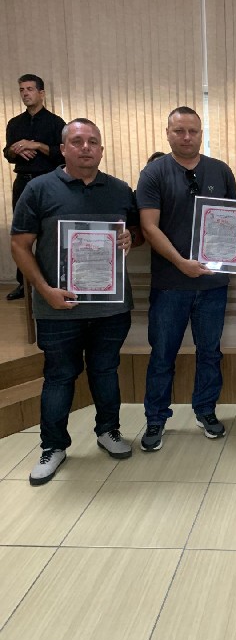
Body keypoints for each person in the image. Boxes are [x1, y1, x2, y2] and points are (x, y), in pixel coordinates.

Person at [10, 118, 140, 485]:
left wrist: (131, 237)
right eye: (78, 141)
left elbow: (136, 232)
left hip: (110, 307)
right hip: (57, 307)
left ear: (101, 149)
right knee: (59, 376)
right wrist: (44, 290)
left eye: (93, 142)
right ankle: (53, 446)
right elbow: (19, 245)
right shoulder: (38, 189)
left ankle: (108, 431)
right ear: (63, 148)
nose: (86, 147)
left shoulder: (119, 189)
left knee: (105, 371)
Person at [136, 106, 236, 451]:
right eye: (179, 131)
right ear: (168, 133)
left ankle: (206, 411)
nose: (186, 137)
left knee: (210, 352)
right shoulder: (154, 173)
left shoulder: (220, 170)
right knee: (162, 355)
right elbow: (149, 226)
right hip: (170, 284)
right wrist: (181, 263)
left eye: (193, 131)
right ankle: (155, 418)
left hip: (212, 284)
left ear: (200, 134)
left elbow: (232, 215)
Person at [3, 74, 66, 300]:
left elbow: (62, 153)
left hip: (49, 183)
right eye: (22, 90)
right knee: (22, 234)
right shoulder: (14, 123)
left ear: (41, 93)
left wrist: (37, 146)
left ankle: (51, 281)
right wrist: (17, 150)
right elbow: (7, 153)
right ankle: (24, 284)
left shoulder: (56, 123)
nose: (25, 93)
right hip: (23, 182)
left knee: (50, 233)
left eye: (30, 89)